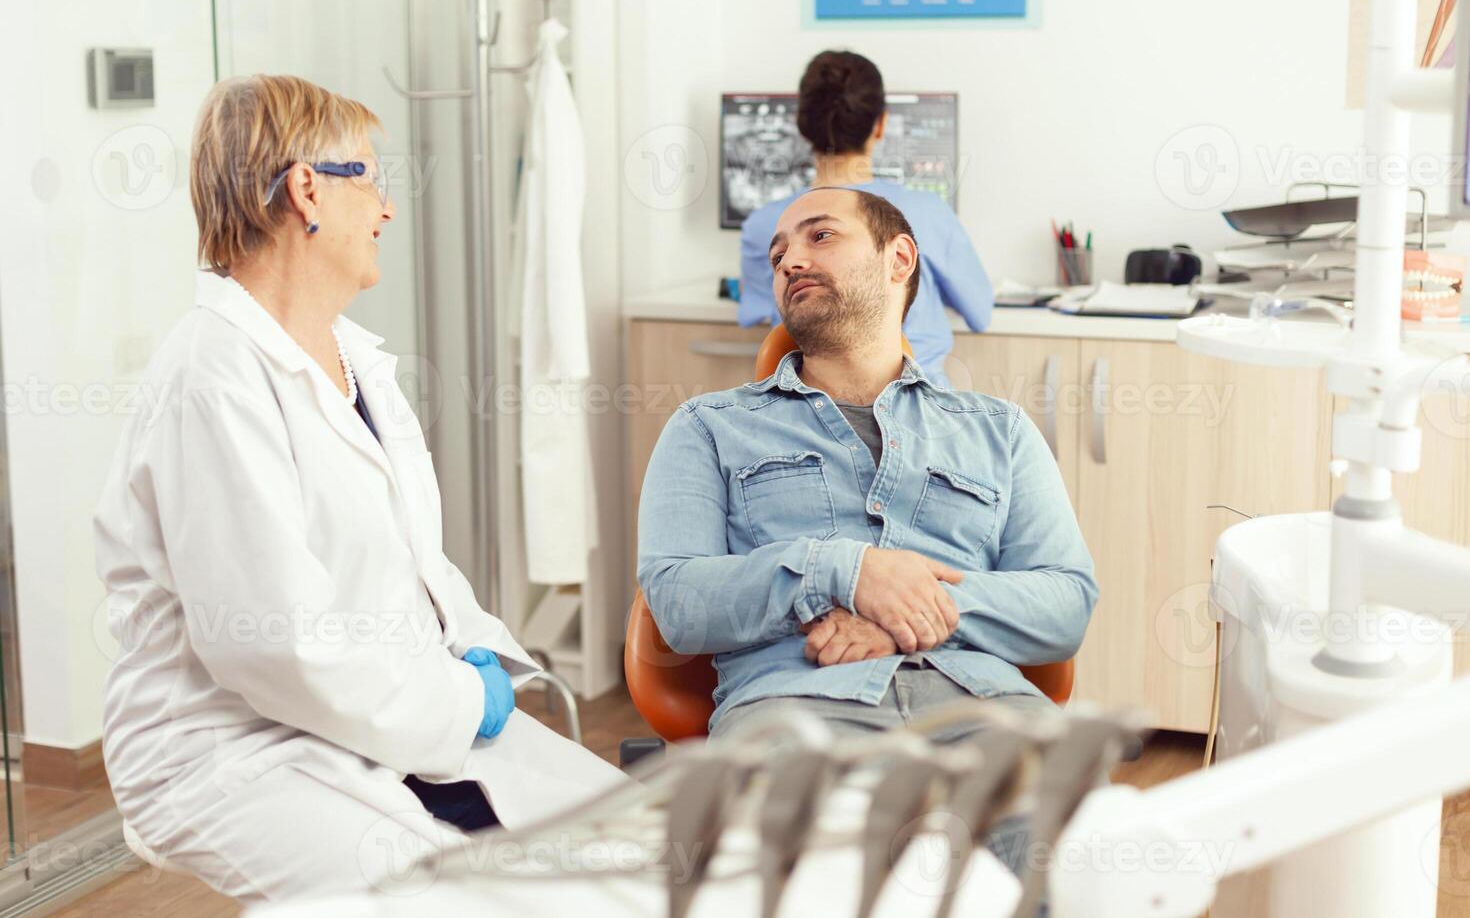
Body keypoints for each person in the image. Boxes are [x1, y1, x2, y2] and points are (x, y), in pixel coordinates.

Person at [93, 74, 621, 903]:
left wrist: (473, 660)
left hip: (372, 711)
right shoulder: (214, 378)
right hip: (228, 749)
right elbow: (275, 644)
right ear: (307, 190)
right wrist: (453, 704)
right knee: (445, 896)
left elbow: (418, 565)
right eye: (369, 177)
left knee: (629, 839)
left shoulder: (351, 358)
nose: (386, 209)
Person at [639, 186, 1097, 872]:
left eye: (820, 237)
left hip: (989, 712)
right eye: (778, 251)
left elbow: (1066, 601)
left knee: (1078, 872)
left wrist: (909, 612)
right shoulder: (707, 426)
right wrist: (841, 570)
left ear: (900, 259)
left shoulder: (998, 431)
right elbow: (678, 602)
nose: (790, 259)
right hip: (794, 714)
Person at [738, 50, 994, 383]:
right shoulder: (928, 212)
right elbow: (980, 312)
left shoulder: (765, 225)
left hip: (805, 411)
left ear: (802, 127)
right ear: (881, 124)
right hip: (924, 413)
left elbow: (755, 312)